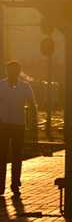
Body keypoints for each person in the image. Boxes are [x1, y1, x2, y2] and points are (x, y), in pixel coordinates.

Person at [0, 61, 36, 198]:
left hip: (18, 125)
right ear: (6, 71)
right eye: (10, 71)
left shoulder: (25, 87)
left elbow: (32, 104)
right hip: (3, 125)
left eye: (15, 71)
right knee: (1, 156)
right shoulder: (0, 85)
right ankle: (0, 186)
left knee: (16, 156)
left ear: (19, 72)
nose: (12, 73)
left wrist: (32, 124)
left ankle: (15, 184)